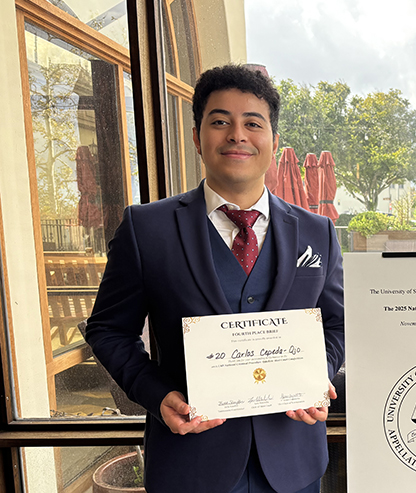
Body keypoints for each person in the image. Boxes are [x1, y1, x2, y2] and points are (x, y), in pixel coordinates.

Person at [85, 64, 344, 493]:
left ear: (274, 141)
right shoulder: (145, 229)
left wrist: (318, 375)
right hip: (190, 463)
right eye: (220, 121)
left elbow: (336, 324)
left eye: (253, 124)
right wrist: (157, 394)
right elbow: (109, 330)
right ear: (196, 137)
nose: (237, 135)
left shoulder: (317, 232)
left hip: (293, 462)